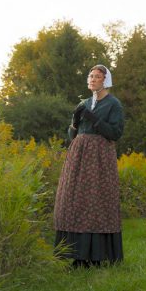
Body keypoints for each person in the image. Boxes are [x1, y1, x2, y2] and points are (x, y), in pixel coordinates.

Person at [54, 64, 125, 267]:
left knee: (97, 201)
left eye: (97, 76)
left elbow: (115, 133)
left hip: (100, 158)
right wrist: (75, 122)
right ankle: (77, 256)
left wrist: (95, 120)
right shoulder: (83, 103)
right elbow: (72, 136)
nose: (92, 79)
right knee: (74, 200)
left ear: (106, 80)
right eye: (90, 76)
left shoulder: (113, 104)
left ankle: (96, 257)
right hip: (78, 158)